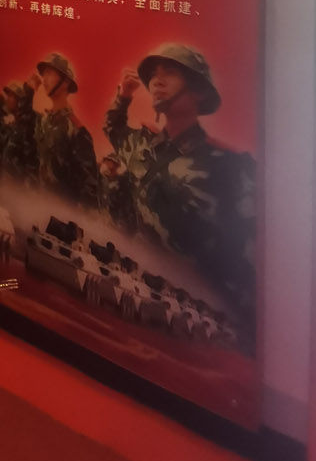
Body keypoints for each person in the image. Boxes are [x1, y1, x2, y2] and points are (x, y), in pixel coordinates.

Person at [103, 43, 255, 335]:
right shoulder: (141, 146)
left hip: (188, 318)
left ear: (198, 90)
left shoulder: (226, 167)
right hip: (129, 294)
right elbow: (113, 130)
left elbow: (247, 255)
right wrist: (123, 97)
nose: (156, 81)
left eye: (170, 72)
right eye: (154, 75)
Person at [32, 53, 98, 208]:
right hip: (39, 207)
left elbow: (89, 190)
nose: (44, 79)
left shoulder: (76, 130)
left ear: (65, 82)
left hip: (62, 214)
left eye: (49, 73)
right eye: (43, 74)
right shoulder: (43, 122)